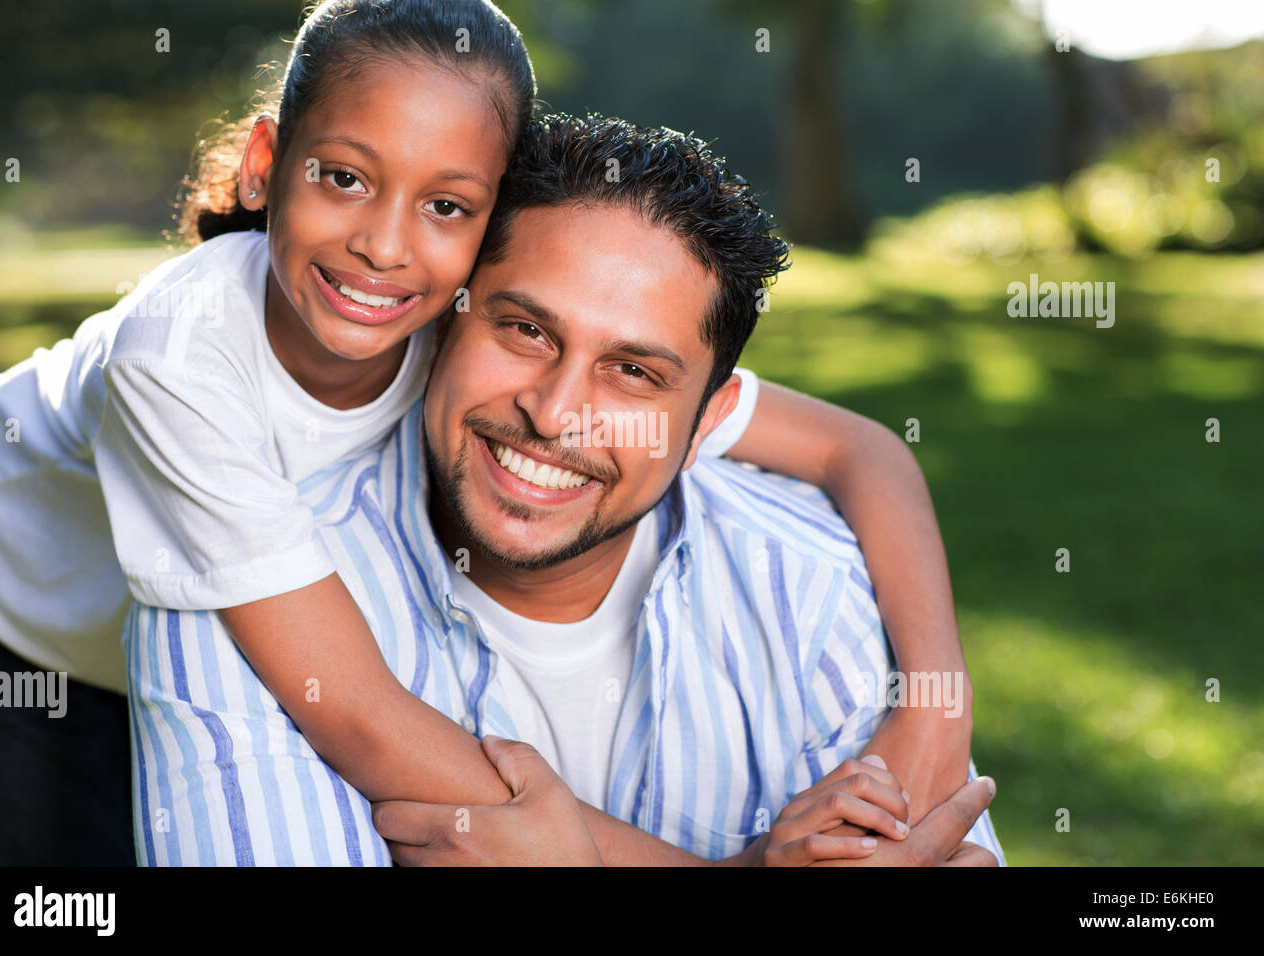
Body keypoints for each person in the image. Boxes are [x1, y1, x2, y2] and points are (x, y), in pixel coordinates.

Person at [128, 113, 1005, 866]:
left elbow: (866, 451)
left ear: (708, 423)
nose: (555, 415)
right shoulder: (237, 588)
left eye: (631, 371)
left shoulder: (822, 582)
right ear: (443, 318)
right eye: (523, 329)